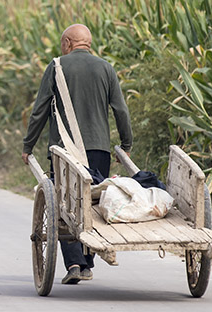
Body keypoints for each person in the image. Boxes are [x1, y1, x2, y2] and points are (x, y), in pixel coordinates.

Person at [21, 23, 133, 284]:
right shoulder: (105, 67)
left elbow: (39, 111)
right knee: (91, 203)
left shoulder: (57, 66)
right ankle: (87, 263)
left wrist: (28, 146)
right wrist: (125, 145)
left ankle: (74, 263)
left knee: (65, 205)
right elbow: (121, 110)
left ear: (68, 43)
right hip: (99, 150)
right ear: (88, 43)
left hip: (64, 152)